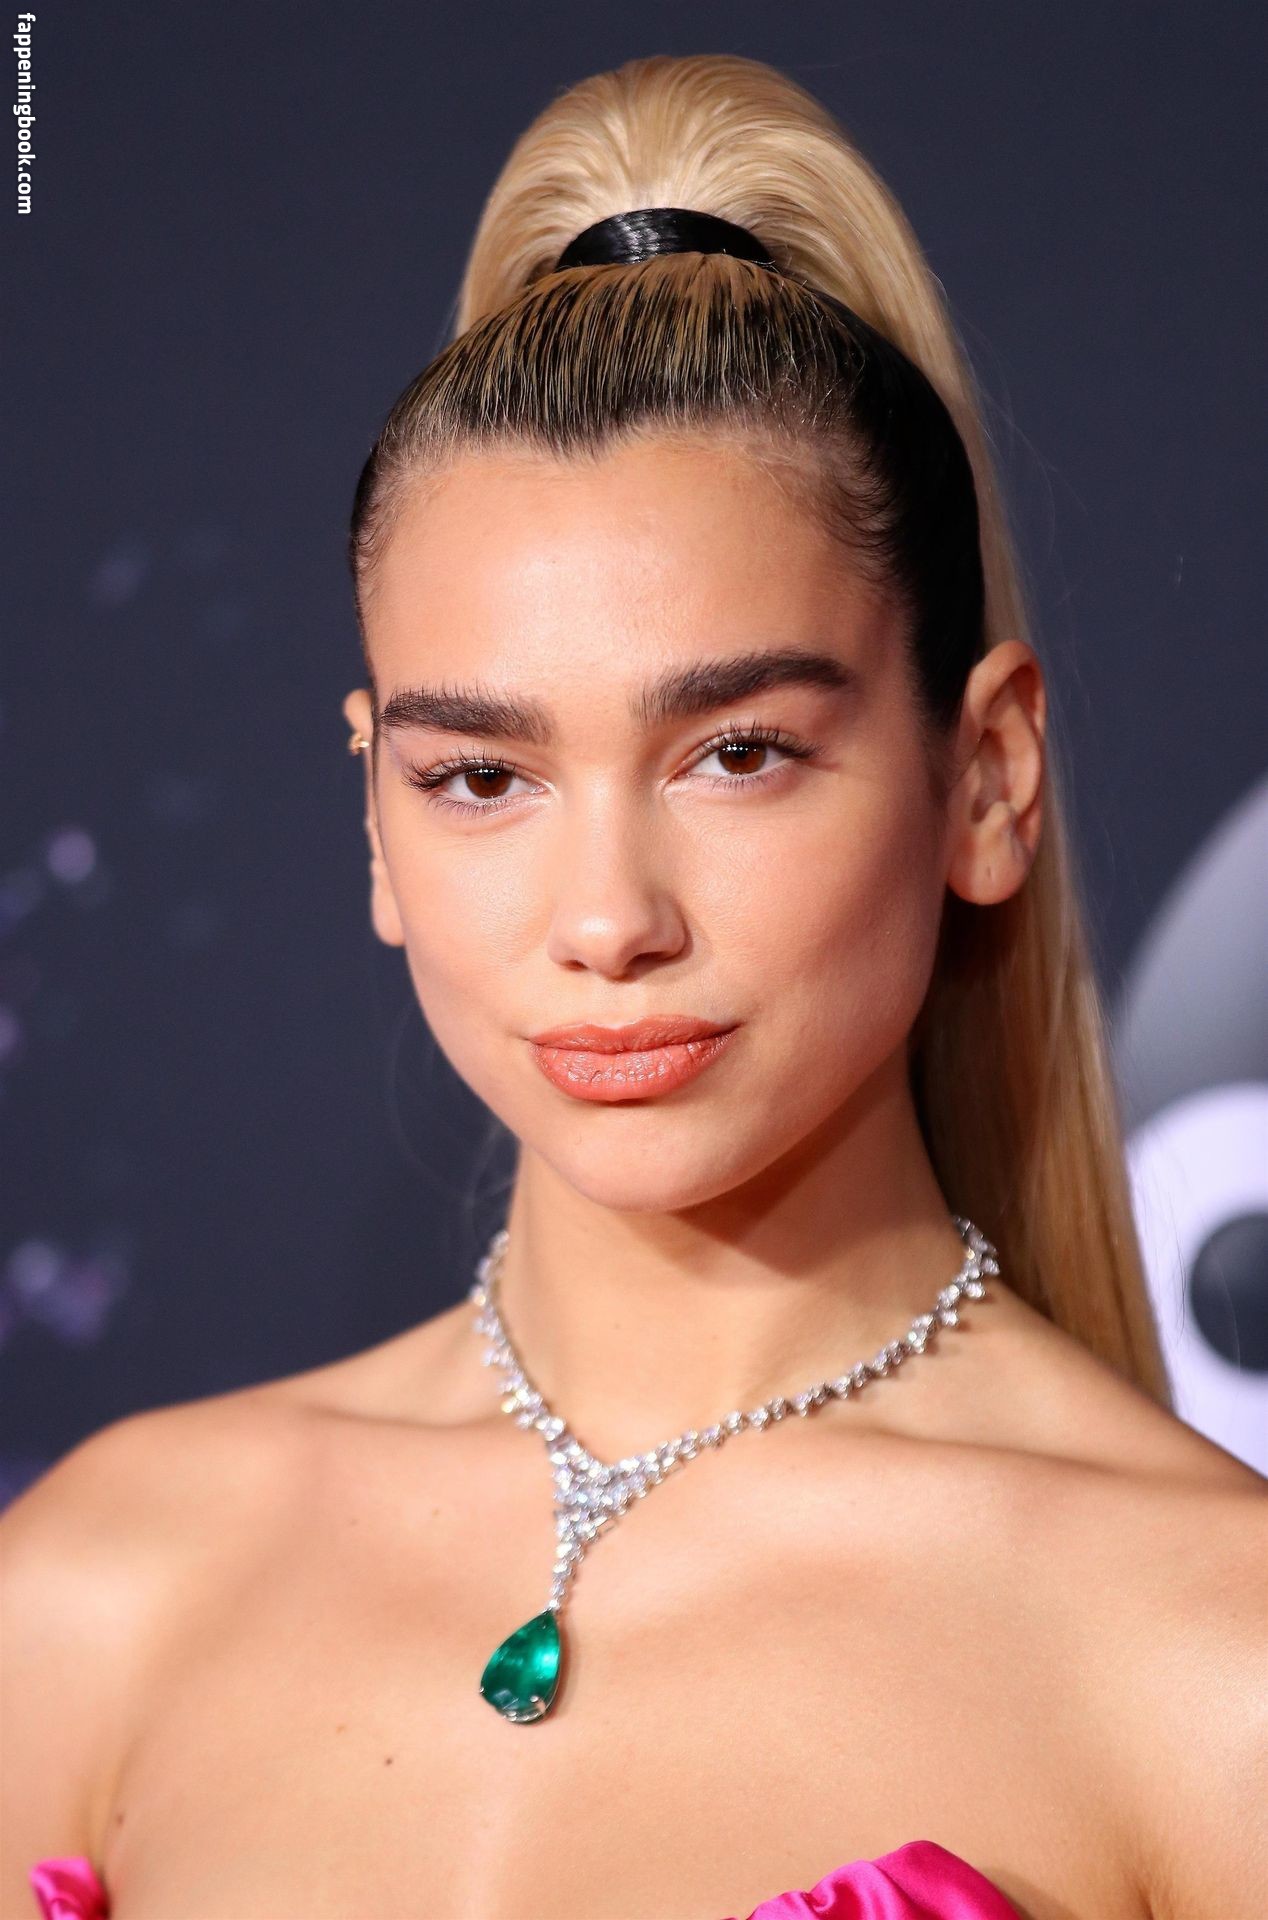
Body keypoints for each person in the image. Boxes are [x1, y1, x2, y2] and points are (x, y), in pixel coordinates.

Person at [3, 49, 1265, 1920]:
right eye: (479, 778)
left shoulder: (1213, 1664)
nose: (608, 921)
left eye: (737, 754)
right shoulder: (97, 1590)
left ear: (987, 779)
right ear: (372, 814)